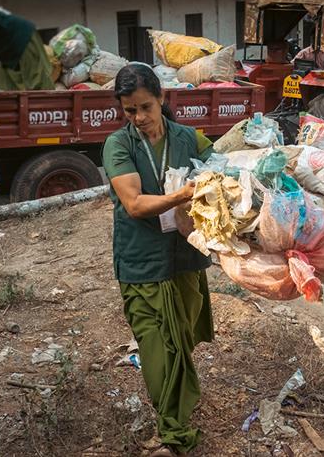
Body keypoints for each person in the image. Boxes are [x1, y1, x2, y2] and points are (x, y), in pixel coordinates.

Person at [102, 63, 215, 456]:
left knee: (180, 341)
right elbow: (134, 204)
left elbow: (220, 177)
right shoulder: (119, 145)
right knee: (156, 347)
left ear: (162, 98)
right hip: (142, 261)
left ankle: (179, 407)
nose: (139, 118)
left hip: (184, 257)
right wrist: (180, 196)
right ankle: (173, 433)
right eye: (129, 110)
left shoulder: (190, 139)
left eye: (146, 107)